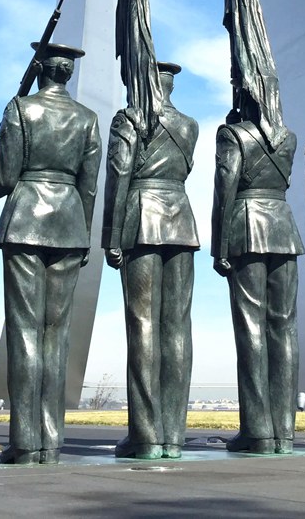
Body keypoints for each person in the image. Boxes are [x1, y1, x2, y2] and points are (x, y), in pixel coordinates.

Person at [0, 43, 101, 465]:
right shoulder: (87, 118)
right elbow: (89, 186)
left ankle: (26, 442)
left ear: (40, 69)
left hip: (27, 222)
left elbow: (4, 175)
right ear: (67, 73)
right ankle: (50, 439)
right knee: (56, 335)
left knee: (25, 332)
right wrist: (81, 231)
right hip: (69, 226)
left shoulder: (20, 109)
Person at [102, 62, 199, 460]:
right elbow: (187, 168)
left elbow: (119, 173)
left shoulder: (129, 119)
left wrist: (112, 236)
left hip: (141, 218)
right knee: (177, 327)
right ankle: (172, 435)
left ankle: (145, 434)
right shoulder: (190, 126)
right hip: (181, 220)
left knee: (142, 324)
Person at [211, 89, 303, 454]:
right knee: (285, 328)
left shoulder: (232, 135)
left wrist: (220, 246)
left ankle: (258, 430)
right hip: (283, 228)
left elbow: (225, 189)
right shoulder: (290, 138)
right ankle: (284, 431)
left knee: (252, 328)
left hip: (247, 228)